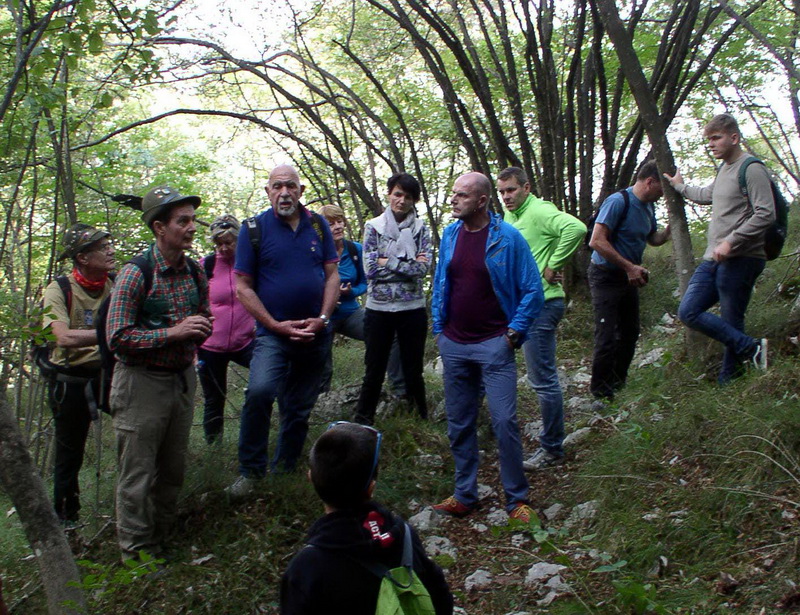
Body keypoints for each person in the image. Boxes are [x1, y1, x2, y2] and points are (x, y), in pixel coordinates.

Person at [431, 172, 544, 523]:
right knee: (459, 422)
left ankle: (516, 500)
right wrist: (439, 330)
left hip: (494, 345)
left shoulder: (508, 239)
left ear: (481, 201)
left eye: (461, 195)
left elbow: (533, 290)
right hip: (455, 344)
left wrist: (512, 334)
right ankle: (465, 494)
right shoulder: (450, 235)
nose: (453, 200)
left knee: (504, 421)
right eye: (453, 194)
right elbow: (440, 283)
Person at [106, 185, 212, 560]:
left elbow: (205, 316)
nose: (192, 228)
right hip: (141, 384)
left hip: (181, 379)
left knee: (172, 468)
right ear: (159, 228)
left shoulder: (194, 271)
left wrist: (199, 327)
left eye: (192, 220)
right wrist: (173, 332)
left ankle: (164, 538)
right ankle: (136, 554)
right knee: (137, 474)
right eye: (182, 221)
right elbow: (117, 337)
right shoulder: (136, 274)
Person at [227, 165, 339, 498]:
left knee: (299, 406)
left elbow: (332, 274)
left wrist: (323, 317)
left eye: (290, 185)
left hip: (315, 333)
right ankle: (251, 472)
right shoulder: (253, 229)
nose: (284, 192)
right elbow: (242, 287)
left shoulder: (318, 225)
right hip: (272, 334)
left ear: (301, 191)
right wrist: (274, 324)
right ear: (268, 191)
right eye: (277, 186)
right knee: (260, 391)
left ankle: (285, 468)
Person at [280, 422, 453, 615]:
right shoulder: (404, 536)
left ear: (310, 477)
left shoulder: (306, 568)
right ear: (371, 487)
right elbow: (441, 599)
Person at [664, 113, 773, 383]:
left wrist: (731, 241)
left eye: (716, 138)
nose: (711, 144)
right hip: (714, 258)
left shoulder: (752, 168)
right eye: (708, 140)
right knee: (689, 311)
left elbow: (765, 213)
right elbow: (709, 195)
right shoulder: (724, 168)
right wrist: (680, 187)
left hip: (743, 257)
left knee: (731, 318)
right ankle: (752, 348)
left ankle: (730, 380)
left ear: (734, 138)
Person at [497, 167, 586, 471]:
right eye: (502, 192)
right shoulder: (511, 216)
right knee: (533, 377)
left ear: (526, 187)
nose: (506, 196)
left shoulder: (539, 210)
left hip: (543, 304)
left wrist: (554, 263)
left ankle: (552, 448)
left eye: (511, 190)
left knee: (543, 380)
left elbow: (576, 228)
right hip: (522, 307)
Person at [42, 223, 115, 525]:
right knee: (69, 455)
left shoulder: (116, 282)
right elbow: (63, 337)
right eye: (102, 247)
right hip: (69, 381)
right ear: (82, 257)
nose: (110, 251)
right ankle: (66, 520)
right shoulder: (57, 290)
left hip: (108, 374)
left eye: (109, 244)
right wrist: (112, 333)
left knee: (139, 427)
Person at [588, 161, 671, 402]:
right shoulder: (618, 201)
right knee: (606, 335)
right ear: (650, 181)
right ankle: (600, 394)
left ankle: (617, 383)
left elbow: (652, 239)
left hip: (628, 277)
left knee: (630, 332)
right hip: (605, 276)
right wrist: (629, 267)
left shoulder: (648, 207)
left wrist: (669, 230)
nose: (662, 195)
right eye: (661, 188)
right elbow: (597, 241)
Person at [354, 173, 432, 425]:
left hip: (412, 308)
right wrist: (406, 264)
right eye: (398, 194)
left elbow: (423, 269)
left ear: (414, 201)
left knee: (413, 370)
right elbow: (370, 270)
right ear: (389, 194)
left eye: (408, 197)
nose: (401, 201)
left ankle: (420, 419)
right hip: (379, 309)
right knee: (374, 370)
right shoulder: (373, 227)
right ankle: (363, 421)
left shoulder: (421, 229)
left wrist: (388, 260)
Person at [316, 204, 406, 396]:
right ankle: (319, 405)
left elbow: (366, 281)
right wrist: (326, 297)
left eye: (340, 221)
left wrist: (352, 292)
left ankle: (399, 391)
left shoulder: (355, 250)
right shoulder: (315, 253)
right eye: (331, 224)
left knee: (391, 334)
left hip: (350, 313)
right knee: (322, 366)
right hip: (323, 316)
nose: (338, 226)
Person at [197, 215, 255, 444]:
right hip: (210, 346)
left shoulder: (250, 264)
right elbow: (194, 305)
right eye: (218, 243)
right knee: (213, 399)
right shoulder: (206, 266)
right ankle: (214, 450)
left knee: (268, 381)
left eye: (228, 242)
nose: (223, 248)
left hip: (246, 342)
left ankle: (254, 435)